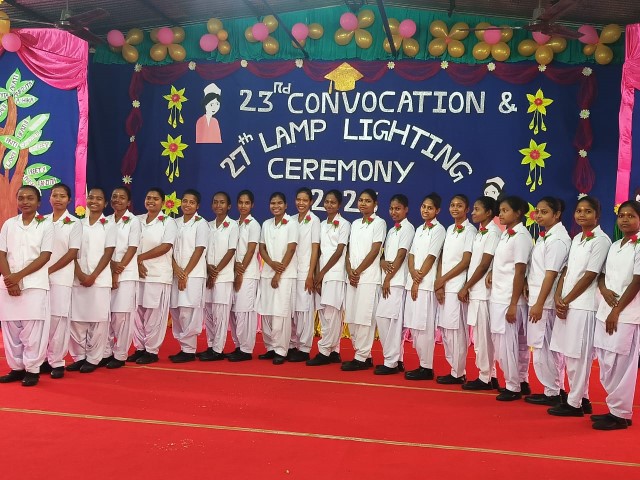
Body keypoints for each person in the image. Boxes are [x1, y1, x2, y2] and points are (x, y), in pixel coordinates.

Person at [548, 196, 610, 417]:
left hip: (584, 305)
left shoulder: (601, 240)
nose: (582, 214)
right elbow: (566, 271)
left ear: (597, 215)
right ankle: (582, 399)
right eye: (579, 211)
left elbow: (590, 275)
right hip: (568, 303)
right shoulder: (576, 239)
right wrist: (558, 296)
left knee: (579, 356)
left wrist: (567, 300)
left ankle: (574, 404)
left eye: (588, 211)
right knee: (569, 353)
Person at [591, 200, 640, 430]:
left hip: (626, 314)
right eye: (622, 215)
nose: (625, 219)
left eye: (631, 216)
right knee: (605, 360)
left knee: (622, 363)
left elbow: (637, 281)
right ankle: (614, 407)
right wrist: (603, 289)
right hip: (605, 309)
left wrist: (617, 310)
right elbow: (601, 275)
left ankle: (621, 414)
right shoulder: (615, 245)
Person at [0, 186, 53, 387]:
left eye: (30, 198)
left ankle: (32, 369)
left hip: (34, 284)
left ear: (38, 202)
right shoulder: (9, 224)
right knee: (11, 329)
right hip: (8, 284)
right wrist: (9, 279)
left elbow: (45, 256)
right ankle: (16, 368)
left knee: (33, 331)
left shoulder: (46, 225)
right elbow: (1, 253)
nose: (25, 202)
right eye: (21, 198)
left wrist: (18, 277)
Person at [524, 197, 571, 406]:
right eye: (538, 211)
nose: (539, 215)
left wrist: (539, 303)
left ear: (557, 214)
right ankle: (553, 389)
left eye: (544, 212)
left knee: (544, 347)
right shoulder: (547, 236)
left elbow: (551, 275)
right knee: (543, 346)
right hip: (538, 298)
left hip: (546, 302)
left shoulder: (557, 240)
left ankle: (552, 391)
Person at [488, 196, 533, 401]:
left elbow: (520, 270)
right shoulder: (506, 234)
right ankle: (521, 381)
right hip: (500, 295)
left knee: (507, 344)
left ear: (518, 213)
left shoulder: (521, 236)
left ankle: (513, 385)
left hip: (508, 298)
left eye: (505, 210)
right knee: (514, 343)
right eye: (500, 210)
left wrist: (513, 304)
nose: (501, 214)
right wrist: (492, 273)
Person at [67, 188, 116, 374]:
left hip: (99, 279)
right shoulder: (77, 224)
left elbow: (108, 253)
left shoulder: (109, 224)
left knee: (98, 320)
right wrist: (79, 274)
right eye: (91, 197)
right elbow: (72, 252)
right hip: (78, 279)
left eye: (99, 198)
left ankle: (94, 358)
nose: (94, 201)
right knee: (76, 320)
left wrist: (93, 275)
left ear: (105, 203)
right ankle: (79, 356)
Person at [129, 187, 177, 365]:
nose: (151, 201)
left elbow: (165, 246)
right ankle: (139, 347)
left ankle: (151, 350)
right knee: (137, 312)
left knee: (154, 315)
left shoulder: (168, 222)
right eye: (148, 198)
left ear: (163, 202)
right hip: (137, 272)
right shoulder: (137, 220)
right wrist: (136, 262)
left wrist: (139, 258)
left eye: (155, 199)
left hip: (158, 274)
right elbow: (130, 244)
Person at [458, 196, 501, 390]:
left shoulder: (493, 232)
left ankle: (485, 377)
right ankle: (490, 374)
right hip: (477, 291)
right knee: (480, 336)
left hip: (484, 292)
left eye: (477, 209)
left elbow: (484, 265)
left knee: (483, 338)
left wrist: (466, 286)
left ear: (489, 212)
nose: (473, 213)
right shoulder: (480, 232)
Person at [434, 194, 477, 384]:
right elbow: (442, 258)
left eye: (459, 205)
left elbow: (466, 261)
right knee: (445, 330)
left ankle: (458, 372)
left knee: (456, 331)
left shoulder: (470, 231)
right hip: (445, 286)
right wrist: (440, 283)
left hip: (457, 286)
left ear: (467, 209)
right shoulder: (450, 229)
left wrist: (444, 279)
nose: (455, 208)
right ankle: (453, 368)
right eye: (452, 205)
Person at [342, 189, 386, 371]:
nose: (363, 203)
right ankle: (364, 356)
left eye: (367, 201)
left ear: (375, 204)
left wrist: (358, 271)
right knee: (352, 317)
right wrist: (350, 271)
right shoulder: (355, 224)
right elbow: (348, 250)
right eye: (361, 200)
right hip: (352, 277)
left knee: (364, 317)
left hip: (368, 278)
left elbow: (375, 250)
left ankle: (361, 356)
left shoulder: (379, 223)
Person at [41, 183, 82, 379]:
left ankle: (57, 361)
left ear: (69, 200)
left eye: (62, 196)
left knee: (58, 319)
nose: (58, 199)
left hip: (61, 278)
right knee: (42, 319)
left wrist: (49, 270)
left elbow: (72, 253)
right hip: (39, 278)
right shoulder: (41, 221)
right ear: (49, 198)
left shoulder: (74, 223)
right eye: (54, 195)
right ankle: (41, 359)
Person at [403, 193, 445, 380]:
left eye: (430, 208)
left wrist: (417, 281)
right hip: (413, 281)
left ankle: (426, 367)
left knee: (424, 326)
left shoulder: (439, 230)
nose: (425, 210)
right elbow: (411, 255)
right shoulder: (419, 228)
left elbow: (431, 257)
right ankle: (421, 363)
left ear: (437, 211)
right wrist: (412, 273)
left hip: (425, 285)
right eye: (423, 207)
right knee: (414, 326)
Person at [307, 190, 350, 367]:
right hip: (322, 274)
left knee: (332, 313)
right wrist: (317, 274)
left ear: (339, 205)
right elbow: (318, 251)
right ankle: (334, 351)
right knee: (324, 313)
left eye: (333, 202)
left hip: (335, 274)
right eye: (327, 201)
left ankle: (324, 351)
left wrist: (322, 272)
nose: (329, 205)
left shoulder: (344, 224)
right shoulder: (322, 224)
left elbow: (339, 251)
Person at [374, 194, 414, 375]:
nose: (393, 212)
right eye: (391, 208)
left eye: (398, 208)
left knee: (391, 322)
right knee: (384, 319)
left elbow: (401, 255)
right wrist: (382, 261)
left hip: (396, 282)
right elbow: (385, 254)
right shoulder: (391, 230)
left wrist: (388, 279)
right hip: (389, 280)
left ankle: (391, 362)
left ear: (406, 210)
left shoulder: (408, 228)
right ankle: (397, 360)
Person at [257, 192, 298, 365]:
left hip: (285, 275)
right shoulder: (266, 224)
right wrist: (271, 264)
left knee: (281, 312)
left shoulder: (292, 223)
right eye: (273, 203)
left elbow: (291, 249)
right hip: (267, 272)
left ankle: (281, 350)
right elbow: (262, 248)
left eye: (279, 203)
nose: (276, 206)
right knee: (266, 311)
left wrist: (278, 272)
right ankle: (270, 347)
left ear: (286, 205)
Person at [103, 186, 141, 369]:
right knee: (106, 315)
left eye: (122, 197)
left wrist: (118, 270)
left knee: (122, 315)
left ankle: (120, 354)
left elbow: (132, 248)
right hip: (106, 272)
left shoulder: (133, 221)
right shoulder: (105, 221)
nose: (117, 199)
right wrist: (111, 266)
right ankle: (105, 352)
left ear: (128, 202)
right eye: (114, 196)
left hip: (126, 274)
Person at [169, 189, 208, 363]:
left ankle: (189, 350)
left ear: (197, 206)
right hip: (175, 273)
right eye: (185, 201)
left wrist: (185, 274)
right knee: (176, 310)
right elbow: (169, 248)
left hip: (193, 274)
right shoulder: (174, 223)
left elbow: (199, 250)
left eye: (192, 202)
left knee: (188, 311)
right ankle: (183, 347)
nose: (187, 205)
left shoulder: (201, 224)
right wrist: (176, 270)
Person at [201, 191, 238, 361]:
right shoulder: (207, 226)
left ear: (228, 206)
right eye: (215, 202)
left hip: (223, 277)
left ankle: (218, 349)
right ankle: (210, 345)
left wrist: (216, 272)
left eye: (222, 202)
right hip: (208, 274)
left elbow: (231, 251)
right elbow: (203, 250)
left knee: (220, 314)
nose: (218, 205)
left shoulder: (233, 225)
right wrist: (208, 269)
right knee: (208, 312)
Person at [228, 190, 261, 362]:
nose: (243, 206)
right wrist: (235, 269)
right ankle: (238, 345)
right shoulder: (234, 224)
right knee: (234, 312)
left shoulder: (254, 225)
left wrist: (240, 272)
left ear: (252, 205)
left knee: (244, 311)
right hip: (233, 271)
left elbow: (251, 250)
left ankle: (246, 349)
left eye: (247, 203)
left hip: (248, 274)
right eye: (240, 202)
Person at [289, 187, 320, 363]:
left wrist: (310, 274)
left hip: (305, 271)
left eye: (305, 200)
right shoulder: (291, 220)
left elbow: (315, 249)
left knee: (304, 310)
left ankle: (304, 347)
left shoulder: (314, 220)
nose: (301, 203)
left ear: (311, 202)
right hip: (291, 271)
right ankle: (292, 344)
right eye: (298, 199)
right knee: (292, 310)